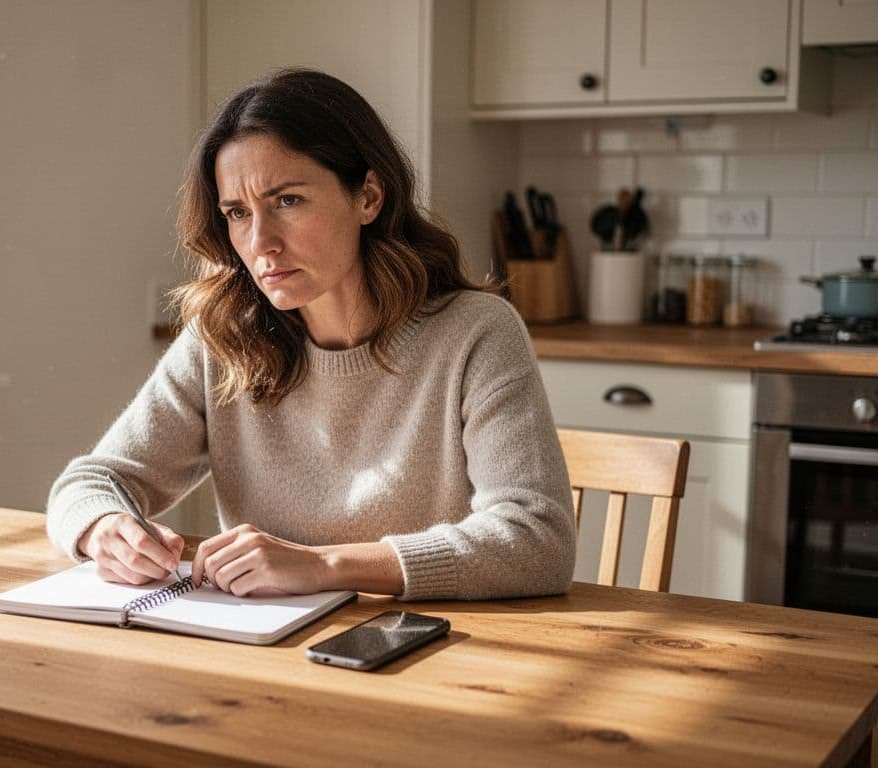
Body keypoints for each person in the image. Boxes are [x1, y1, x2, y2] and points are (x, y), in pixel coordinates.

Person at [46, 68, 575, 601]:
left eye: (287, 201)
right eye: (237, 212)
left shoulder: (476, 334)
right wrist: (104, 528)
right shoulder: (225, 338)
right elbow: (88, 483)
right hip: (262, 655)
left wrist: (325, 565)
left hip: (429, 656)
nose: (260, 243)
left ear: (368, 196)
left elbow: (538, 541)